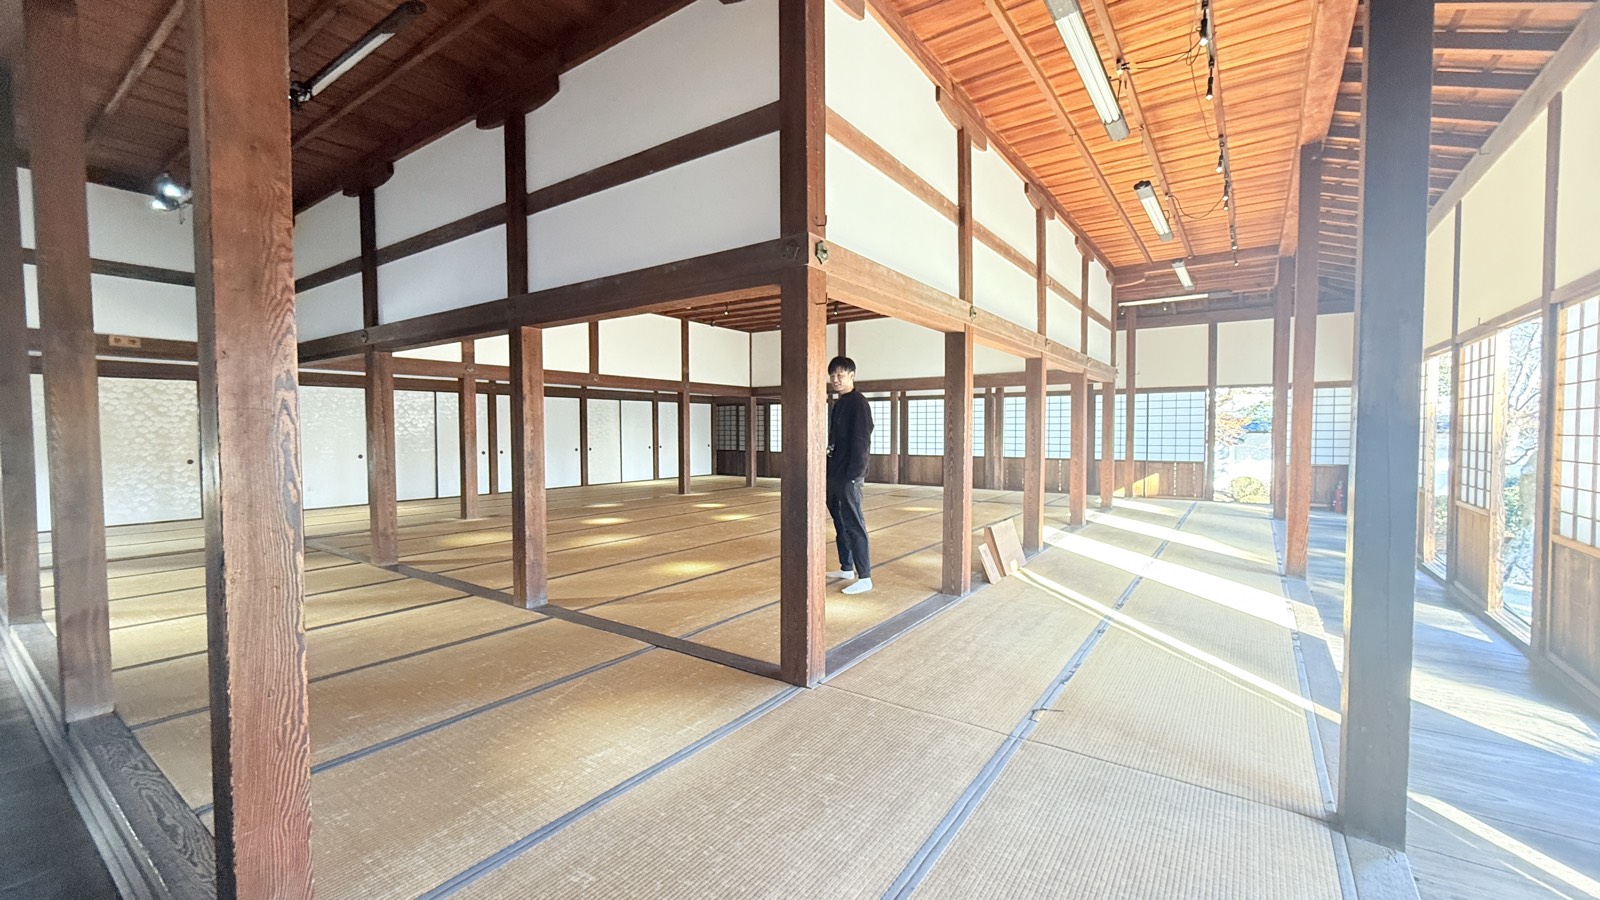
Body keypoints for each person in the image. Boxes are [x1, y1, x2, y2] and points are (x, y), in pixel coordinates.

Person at [825, 356, 874, 595]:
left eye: (840, 375)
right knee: (839, 520)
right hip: (835, 472)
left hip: (849, 474)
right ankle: (846, 567)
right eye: (832, 375)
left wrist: (855, 475)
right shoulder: (839, 403)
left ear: (852, 376)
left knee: (854, 523)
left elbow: (862, 442)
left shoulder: (858, 403)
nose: (835, 379)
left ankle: (865, 576)